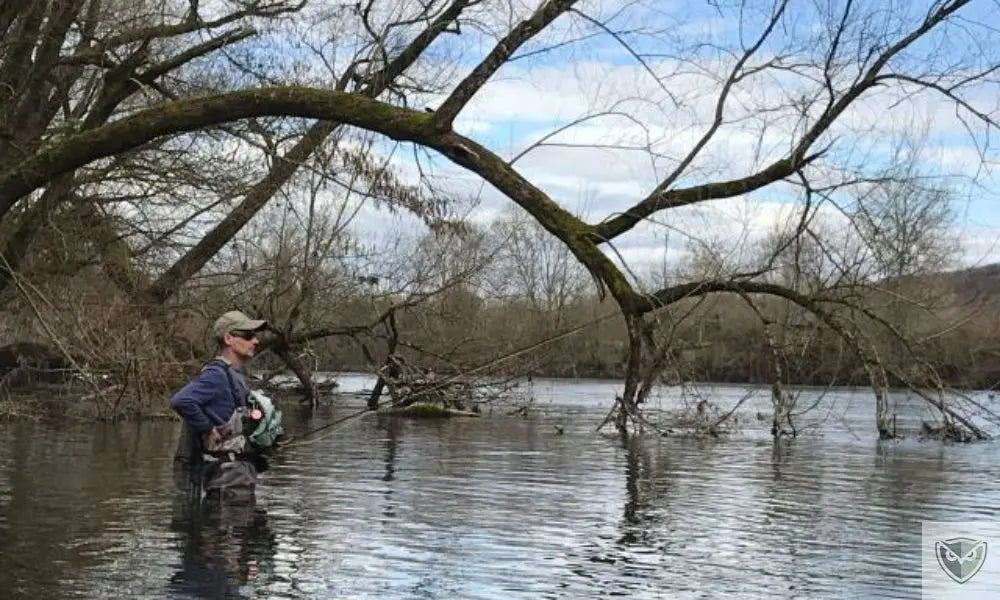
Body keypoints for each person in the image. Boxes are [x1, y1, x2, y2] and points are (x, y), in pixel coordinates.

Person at [171, 310, 268, 504]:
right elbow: (181, 400)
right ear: (228, 338)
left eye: (255, 336)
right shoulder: (217, 374)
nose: (255, 341)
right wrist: (207, 429)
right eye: (248, 336)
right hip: (227, 482)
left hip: (236, 477)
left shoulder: (234, 375)